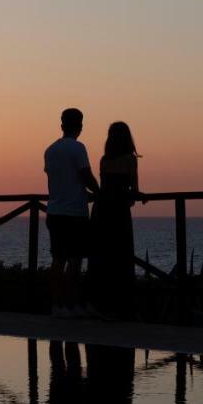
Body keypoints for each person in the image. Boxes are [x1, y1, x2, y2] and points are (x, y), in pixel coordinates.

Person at [43, 108, 99, 317]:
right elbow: (85, 175)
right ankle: (71, 304)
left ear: (62, 125)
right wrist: (99, 192)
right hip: (75, 212)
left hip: (54, 211)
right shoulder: (77, 148)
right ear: (80, 126)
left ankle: (57, 306)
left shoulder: (50, 150)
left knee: (58, 260)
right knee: (75, 261)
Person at [87, 121, 141, 319]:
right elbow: (133, 190)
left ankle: (98, 303)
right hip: (118, 210)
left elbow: (103, 185)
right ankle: (119, 307)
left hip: (101, 209)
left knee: (102, 256)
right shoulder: (130, 159)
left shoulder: (104, 159)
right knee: (120, 256)